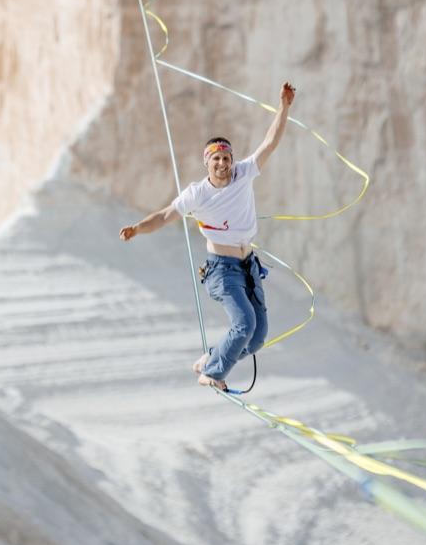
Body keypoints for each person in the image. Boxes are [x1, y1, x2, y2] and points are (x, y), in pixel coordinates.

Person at [119, 82, 296, 390]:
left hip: (249, 265)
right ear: (207, 162)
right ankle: (212, 374)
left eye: (226, 158)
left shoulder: (244, 173)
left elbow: (270, 143)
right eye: (215, 159)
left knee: (256, 339)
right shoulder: (197, 194)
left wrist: (284, 107)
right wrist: (137, 228)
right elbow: (163, 216)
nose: (222, 163)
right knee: (244, 325)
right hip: (222, 269)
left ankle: (212, 358)